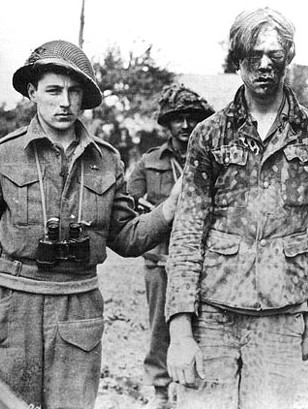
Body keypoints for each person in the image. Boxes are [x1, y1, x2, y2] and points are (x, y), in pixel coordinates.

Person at [0, 40, 180, 409]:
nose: (64, 102)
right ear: (32, 92)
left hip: (77, 314)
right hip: (13, 310)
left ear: (84, 99)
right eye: (53, 90)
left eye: (74, 92)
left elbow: (124, 237)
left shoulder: (108, 160)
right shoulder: (4, 155)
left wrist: (169, 209)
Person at [165, 8, 308, 409]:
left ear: (289, 57)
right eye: (254, 54)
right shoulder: (209, 134)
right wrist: (181, 331)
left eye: (275, 54)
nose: (265, 64)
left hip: (281, 317)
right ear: (237, 58)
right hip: (213, 313)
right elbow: (186, 232)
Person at [128, 84, 214, 409]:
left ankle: (196, 387)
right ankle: (161, 392)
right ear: (167, 123)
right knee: (159, 329)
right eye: (177, 118)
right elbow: (128, 205)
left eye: (192, 118)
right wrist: (159, 212)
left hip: (200, 260)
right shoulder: (150, 162)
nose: (185, 125)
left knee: (201, 324)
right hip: (160, 259)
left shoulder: (211, 159)